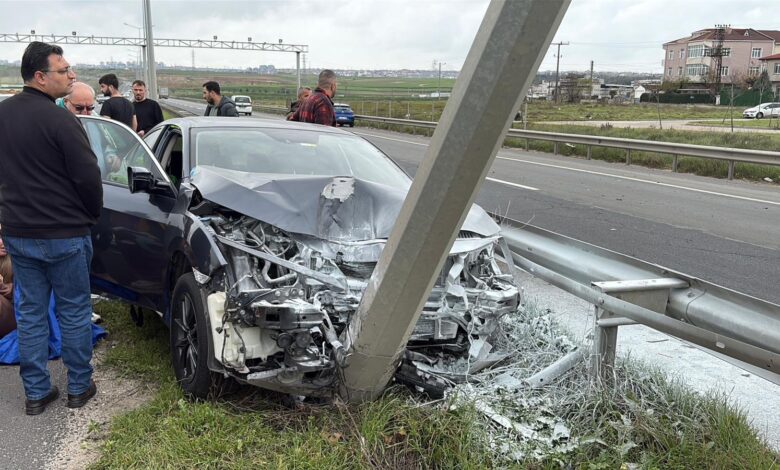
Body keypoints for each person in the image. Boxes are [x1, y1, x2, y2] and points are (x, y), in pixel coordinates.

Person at [0, 41, 103, 415]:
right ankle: (78, 386)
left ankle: (36, 392)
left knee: (30, 312)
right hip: (65, 234)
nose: (70, 75)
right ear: (40, 77)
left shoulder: (3, 115)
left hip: (20, 233)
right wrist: (91, 215)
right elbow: (88, 177)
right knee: (73, 311)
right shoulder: (62, 121)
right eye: (63, 70)